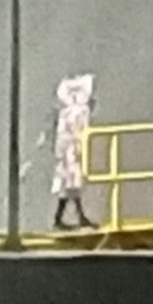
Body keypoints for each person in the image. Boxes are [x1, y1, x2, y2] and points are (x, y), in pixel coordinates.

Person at [52, 75, 97, 230]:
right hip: (72, 152)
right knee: (72, 183)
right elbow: (82, 131)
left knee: (70, 186)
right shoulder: (80, 111)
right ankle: (67, 217)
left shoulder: (65, 112)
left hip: (67, 151)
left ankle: (63, 217)